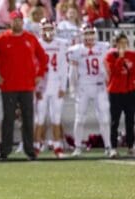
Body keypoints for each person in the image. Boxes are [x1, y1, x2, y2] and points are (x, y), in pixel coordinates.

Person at [0, 10, 48, 160]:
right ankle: (5, 150)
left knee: (28, 118)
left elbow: (43, 58)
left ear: (23, 22)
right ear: (10, 22)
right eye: (15, 20)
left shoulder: (30, 38)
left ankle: (30, 150)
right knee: (8, 119)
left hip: (27, 86)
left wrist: (39, 75)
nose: (17, 22)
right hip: (8, 86)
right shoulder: (2, 39)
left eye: (20, 19)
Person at [68, 24, 112, 157]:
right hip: (83, 86)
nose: (89, 37)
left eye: (91, 33)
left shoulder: (103, 47)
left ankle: (108, 146)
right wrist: (72, 87)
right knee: (80, 118)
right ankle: (77, 147)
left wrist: (109, 82)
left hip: (100, 86)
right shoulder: (76, 50)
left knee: (104, 119)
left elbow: (108, 68)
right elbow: (72, 72)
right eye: (86, 34)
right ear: (82, 35)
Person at [34, 18, 69, 158]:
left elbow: (63, 67)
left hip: (55, 84)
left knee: (56, 118)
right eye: (45, 29)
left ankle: (58, 148)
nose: (47, 32)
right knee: (40, 118)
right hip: (42, 84)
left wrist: (63, 86)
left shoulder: (61, 44)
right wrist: (36, 87)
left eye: (50, 29)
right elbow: (34, 67)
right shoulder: (36, 44)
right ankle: (36, 147)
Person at [104, 32, 135, 157]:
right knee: (114, 121)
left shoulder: (132, 55)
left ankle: (130, 146)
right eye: (120, 43)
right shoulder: (110, 56)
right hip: (115, 91)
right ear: (115, 44)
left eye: (124, 42)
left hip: (129, 91)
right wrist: (121, 57)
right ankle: (113, 148)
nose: (123, 45)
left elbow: (133, 72)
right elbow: (114, 72)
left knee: (130, 120)